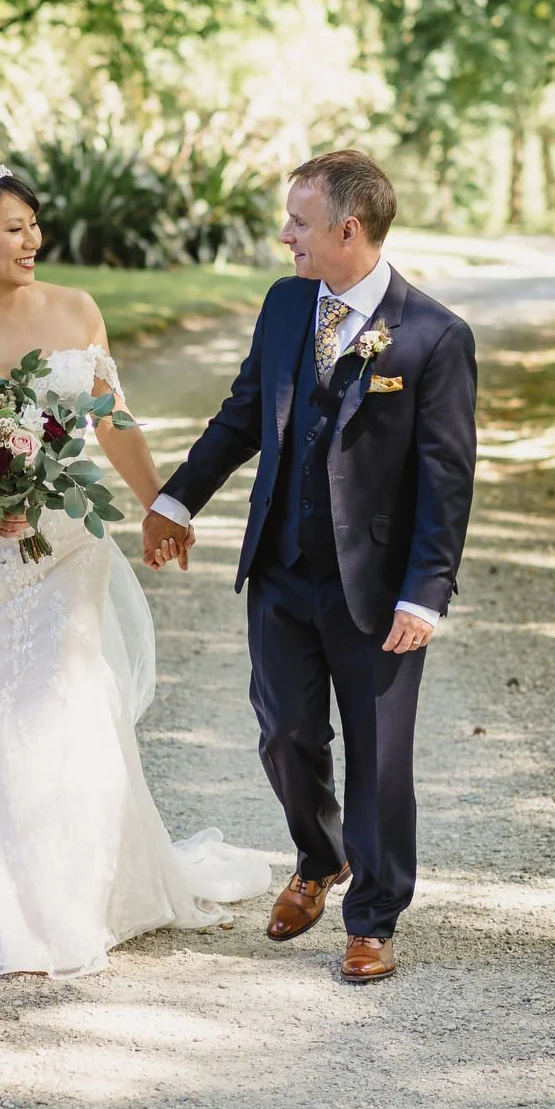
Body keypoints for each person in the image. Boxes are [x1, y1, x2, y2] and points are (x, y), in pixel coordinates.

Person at [0, 162, 270, 978]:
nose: (31, 240)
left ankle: (87, 885)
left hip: (65, 539)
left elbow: (112, 420)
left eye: (33, 224)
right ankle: (7, 894)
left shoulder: (75, 310)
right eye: (12, 228)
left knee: (67, 691)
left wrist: (163, 505)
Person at [142, 150, 476, 984]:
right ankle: (319, 859)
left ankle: (373, 918)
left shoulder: (434, 335)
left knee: (377, 754)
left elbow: (447, 479)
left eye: (298, 220)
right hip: (283, 568)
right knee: (286, 734)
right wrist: (178, 499)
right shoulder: (287, 305)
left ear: (347, 229)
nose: (285, 234)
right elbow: (244, 413)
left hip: (378, 587)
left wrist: (426, 594)